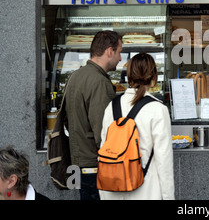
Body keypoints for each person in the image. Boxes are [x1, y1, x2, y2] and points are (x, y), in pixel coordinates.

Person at [99, 53, 174, 200]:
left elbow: (103, 149)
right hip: (146, 192)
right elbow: (164, 160)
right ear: (154, 78)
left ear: (128, 76)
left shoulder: (111, 106)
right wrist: (168, 197)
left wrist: (103, 194)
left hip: (112, 190)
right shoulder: (158, 109)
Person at [65, 30, 122, 200]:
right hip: (95, 166)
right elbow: (104, 132)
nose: (120, 58)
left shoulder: (75, 76)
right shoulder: (99, 82)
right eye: (119, 52)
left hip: (79, 162)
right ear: (109, 51)